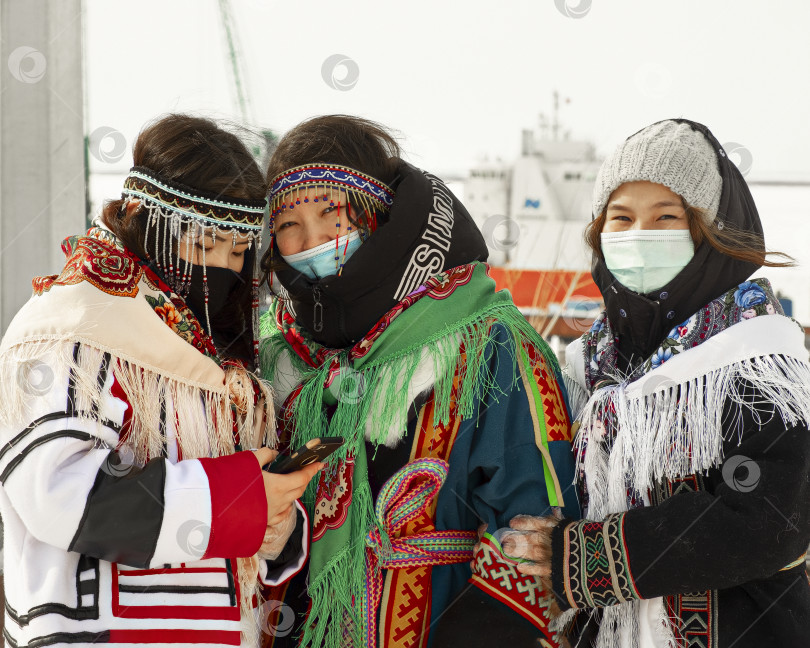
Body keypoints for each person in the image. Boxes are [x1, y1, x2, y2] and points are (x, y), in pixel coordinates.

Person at [257, 115, 580, 648]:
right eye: (289, 225)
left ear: (379, 218)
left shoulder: (486, 344)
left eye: (330, 215)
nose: (310, 241)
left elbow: (534, 533)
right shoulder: (285, 359)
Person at [0, 114, 323, 648]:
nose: (221, 270)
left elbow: (248, 553)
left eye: (238, 252)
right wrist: (235, 499)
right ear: (147, 225)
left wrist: (277, 525)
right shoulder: (70, 330)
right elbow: (57, 496)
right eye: (202, 246)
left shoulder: (229, 357)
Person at [500, 119, 810, 647]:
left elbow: (772, 521)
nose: (638, 235)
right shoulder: (589, 367)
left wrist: (585, 559)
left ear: (711, 232)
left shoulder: (754, 358)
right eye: (620, 219)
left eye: (667, 217)